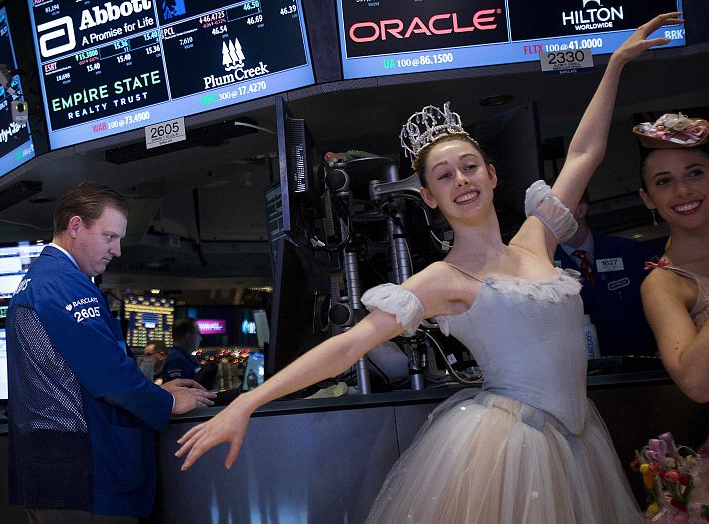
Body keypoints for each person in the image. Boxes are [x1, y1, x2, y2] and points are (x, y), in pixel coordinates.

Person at [175, 13, 681, 522]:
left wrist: (614, 64)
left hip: (579, 440)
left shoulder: (537, 239)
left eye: (469, 166)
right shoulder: (443, 279)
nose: (461, 179)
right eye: (443, 175)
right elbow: (347, 346)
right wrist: (246, 403)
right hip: (512, 447)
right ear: (429, 196)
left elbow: (584, 152)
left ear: (491, 173)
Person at [6, 182, 216, 523]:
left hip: (55, 469)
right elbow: (109, 376)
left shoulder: (41, 279)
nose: (116, 250)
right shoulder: (64, 285)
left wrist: (153, 390)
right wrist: (168, 402)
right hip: (84, 476)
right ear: (76, 227)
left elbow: (74, 374)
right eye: (109, 237)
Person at [636, 112, 709, 403]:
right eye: (664, 181)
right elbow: (697, 384)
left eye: (695, 173)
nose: (682, 191)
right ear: (648, 198)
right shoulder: (663, 285)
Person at [554, 191, 657, 356]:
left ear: (581, 209)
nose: (550, 218)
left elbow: (660, 310)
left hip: (642, 368)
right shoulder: (543, 267)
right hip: (584, 375)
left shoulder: (629, 252)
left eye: (557, 209)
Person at [162, 317, 216, 389]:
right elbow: (180, 393)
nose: (201, 339)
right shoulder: (176, 360)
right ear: (188, 336)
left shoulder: (186, 358)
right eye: (198, 334)